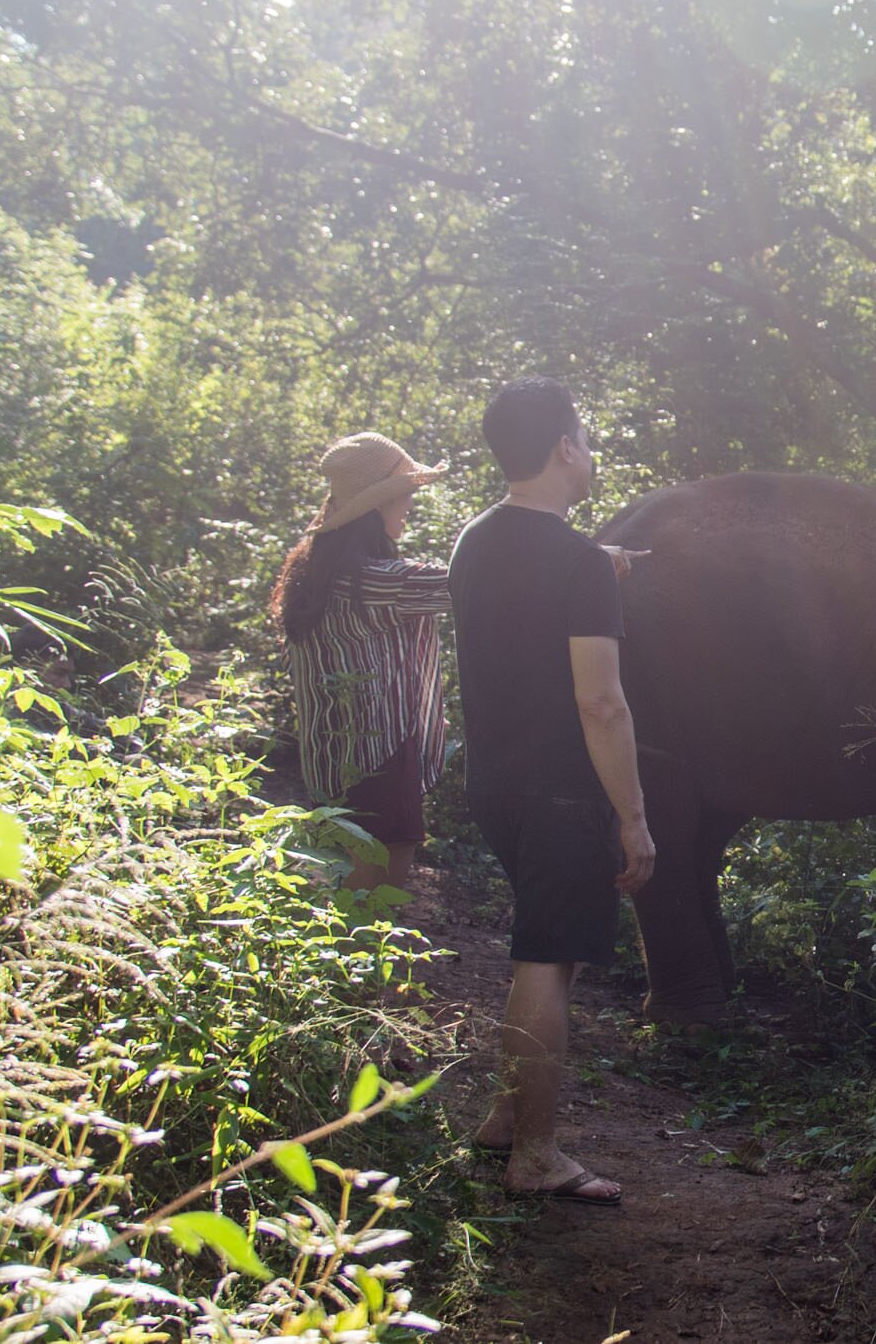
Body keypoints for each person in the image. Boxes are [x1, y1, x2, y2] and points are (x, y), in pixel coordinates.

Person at [451, 376, 655, 1206]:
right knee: (546, 960)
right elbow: (600, 702)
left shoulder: (474, 540)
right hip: (561, 791)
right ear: (565, 448)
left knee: (544, 948)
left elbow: (523, 590)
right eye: (587, 436)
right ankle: (536, 1154)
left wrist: (595, 563)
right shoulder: (576, 565)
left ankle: (506, 1116)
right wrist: (634, 817)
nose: (592, 450)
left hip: (494, 782)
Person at [273, 432, 451, 892]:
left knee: (360, 897)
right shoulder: (371, 582)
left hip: (337, 758)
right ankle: (346, 967)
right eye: (404, 493)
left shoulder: (317, 572)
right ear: (375, 507)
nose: (410, 503)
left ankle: (341, 964)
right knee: (372, 905)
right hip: (378, 755)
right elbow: (472, 585)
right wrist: (579, 565)